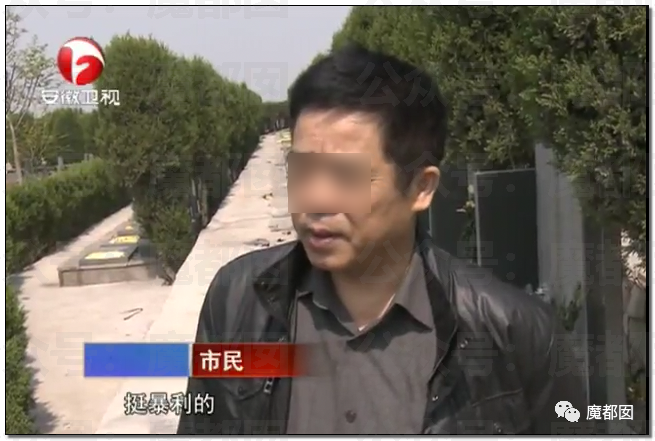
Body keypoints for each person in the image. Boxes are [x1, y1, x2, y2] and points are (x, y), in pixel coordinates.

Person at [177, 43, 589, 435]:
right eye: (302, 171)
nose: (315, 200)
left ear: (421, 188)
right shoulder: (237, 302)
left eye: (346, 176)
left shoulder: (514, 335)